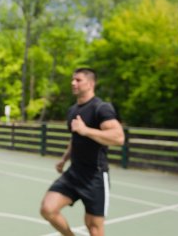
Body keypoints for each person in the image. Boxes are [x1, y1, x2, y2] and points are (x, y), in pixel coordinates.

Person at [40, 68, 124, 236]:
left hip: (95, 176)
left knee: (93, 227)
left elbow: (118, 137)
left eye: (78, 80)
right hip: (74, 172)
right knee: (47, 209)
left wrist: (86, 130)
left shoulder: (101, 108)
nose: (73, 83)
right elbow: (75, 138)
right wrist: (64, 159)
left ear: (91, 84)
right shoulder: (72, 110)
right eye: (73, 80)